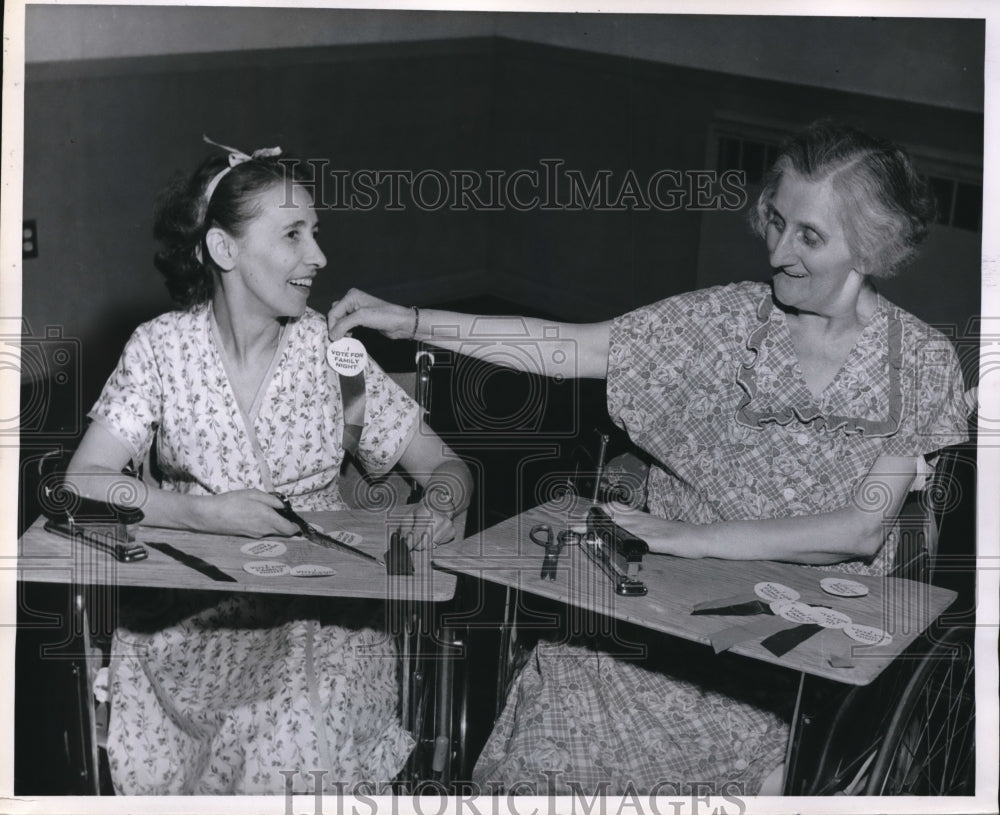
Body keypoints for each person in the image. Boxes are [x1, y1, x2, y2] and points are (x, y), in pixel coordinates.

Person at [326, 120, 972, 795]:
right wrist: (410, 320)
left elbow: (860, 529)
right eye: (775, 221)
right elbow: (573, 348)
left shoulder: (919, 359)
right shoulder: (724, 321)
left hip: (797, 659)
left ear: (871, 246)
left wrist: (685, 538)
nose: (778, 250)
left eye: (809, 235)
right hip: (659, 615)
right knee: (560, 720)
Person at [65, 137, 472, 795]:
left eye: (315, 232)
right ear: (226, 249)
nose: (319, 255)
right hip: (194, 611)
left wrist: (443, 502)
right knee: (230, 722)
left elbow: (448, 467)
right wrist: (204, 511)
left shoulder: (334, 358)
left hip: (325, 611)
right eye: (293, 234)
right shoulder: (160, 350)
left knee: (295, 717)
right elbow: (81, 483)